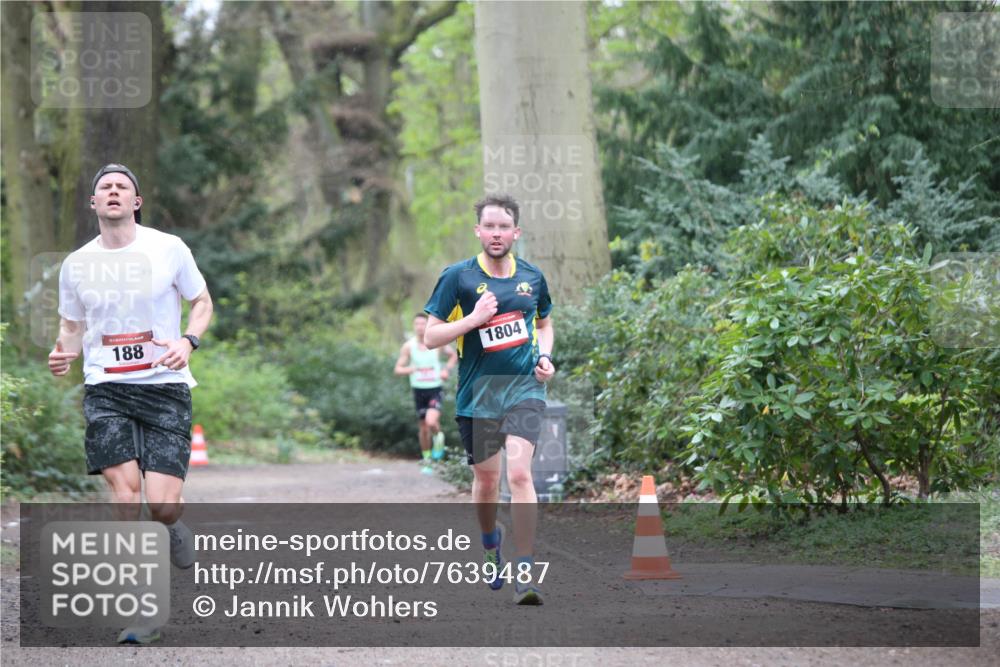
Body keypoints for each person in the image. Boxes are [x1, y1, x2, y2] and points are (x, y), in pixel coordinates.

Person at [48, 163, 213, 644]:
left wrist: (188, 341)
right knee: (125, 497)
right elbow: (72, 326)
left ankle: (173, 526)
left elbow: (202, 302)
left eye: (123, 187)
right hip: (106, 387)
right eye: (105, 187)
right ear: (94, 204)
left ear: (136, 202)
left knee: (161, 507)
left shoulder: (168, 248)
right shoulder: (76, 264)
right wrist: (65, 353)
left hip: (164, 383)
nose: (114, 192)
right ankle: (143, 611)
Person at [423, 193, 555, 605]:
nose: (496, 233)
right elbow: (430, 337)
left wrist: (546, 355)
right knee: (486, 481)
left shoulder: (532, 278)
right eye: (489, 226)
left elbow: (545, 323)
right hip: (478, 394)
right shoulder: (457, 278)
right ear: (478, 231)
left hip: (524, 390)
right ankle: (489, 544)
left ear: (516, 232)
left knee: (518, 474)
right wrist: (474, 320)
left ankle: (526, 568)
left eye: (504, 227)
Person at [394, 313, 458, 473]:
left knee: (430, 422)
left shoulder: (436, 342)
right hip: (418, 389)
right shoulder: (409, 346)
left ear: (427, 325)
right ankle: (427, 459)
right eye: (417, 324)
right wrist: (411, 369)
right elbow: (398, 369)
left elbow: (453, 356)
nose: (420, 327)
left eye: (423, 324)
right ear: (414, 326)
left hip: (435, 388)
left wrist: (446, 370)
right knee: (423, 428)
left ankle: (439, 437)